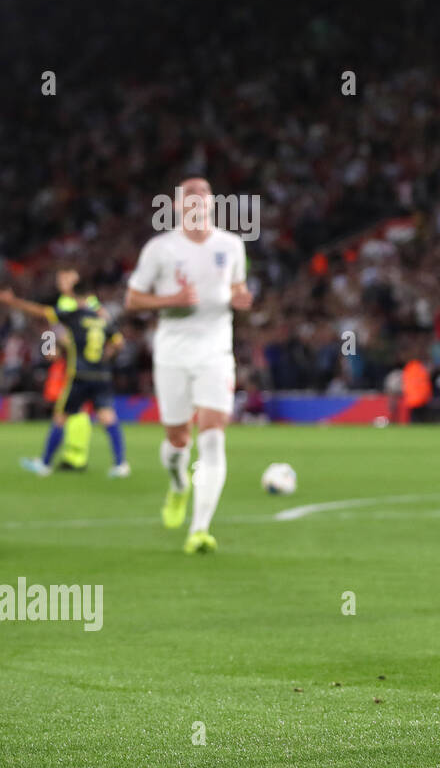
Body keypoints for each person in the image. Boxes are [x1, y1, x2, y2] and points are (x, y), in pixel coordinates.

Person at [125, 176, 252, 554]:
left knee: (212, 434)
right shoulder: (160, 249)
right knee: (178, 438)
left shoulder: (231, 245)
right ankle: (178, 485)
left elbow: (236, 289)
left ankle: (199, 529)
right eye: (189, 197)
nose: (197, 202)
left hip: (215, 352)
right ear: (178, 206)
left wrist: (241, 298)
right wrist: (171, 300)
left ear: (212, 204)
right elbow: (133, 300)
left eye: (203, 195)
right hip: (173, 353)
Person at [2, 266, 129, 477]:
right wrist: (48, 348)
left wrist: (56, 346)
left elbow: (55, 323)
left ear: (76, 280)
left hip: (77, 364)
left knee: (71, 412)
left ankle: (74, 457)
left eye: (67, 278)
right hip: (74, 364)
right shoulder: (64, 303)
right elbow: (51, 330)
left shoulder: (85, 305)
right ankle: (91, 458)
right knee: (71, 408)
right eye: (60, 278)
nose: (62, 281)